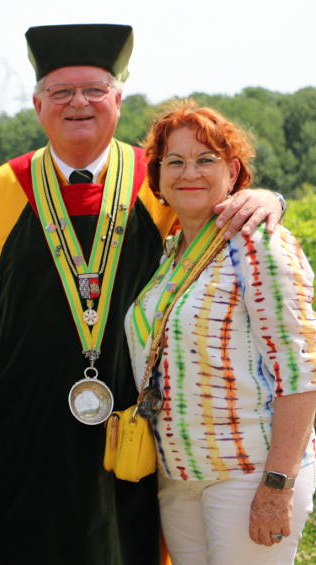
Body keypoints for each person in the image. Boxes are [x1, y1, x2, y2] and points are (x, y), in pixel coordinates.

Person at [0, 24, 285, 564]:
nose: (79, 103)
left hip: (136, 430)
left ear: (118, 100)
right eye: (61, 91)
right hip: (23, 431)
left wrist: (267, 197)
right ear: (38, 105)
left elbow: (225, 217)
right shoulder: (1, 189)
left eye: (94, 90)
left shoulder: (160, 183)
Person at [125, 102, 316, 565]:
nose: (189, 172)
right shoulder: (169, 253)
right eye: (175, 161)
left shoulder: (257, 243)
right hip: (178, 476)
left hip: (248, 473)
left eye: (206, 159)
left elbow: (302, 372)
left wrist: (277, 485)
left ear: (233, 172)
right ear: (159, 178)